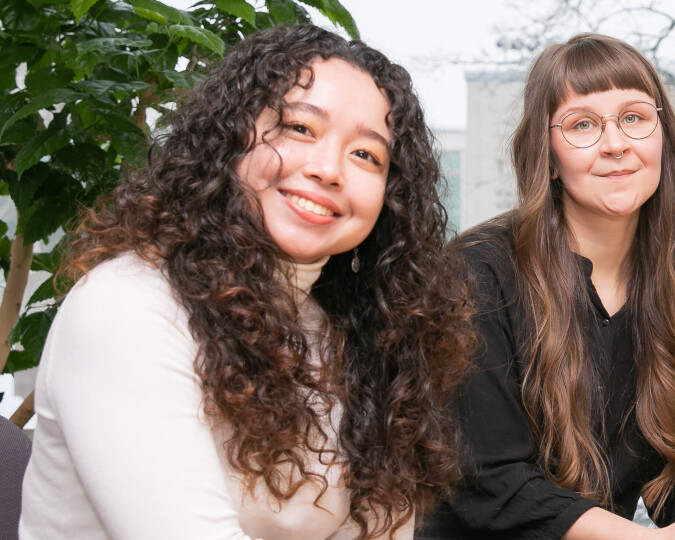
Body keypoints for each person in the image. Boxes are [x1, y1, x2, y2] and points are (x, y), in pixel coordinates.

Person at [19, 24, 474, 540]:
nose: (329, 169)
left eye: (366, 155)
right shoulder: (127, 306)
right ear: (229, 138)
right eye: (300, 128)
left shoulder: (345, 335)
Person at [418, 33, 675, 540]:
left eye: (634, 117)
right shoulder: (474, 273)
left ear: (662, 136)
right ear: (547, 157)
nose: (616, 143)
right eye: (583, 125)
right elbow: (492, 482)